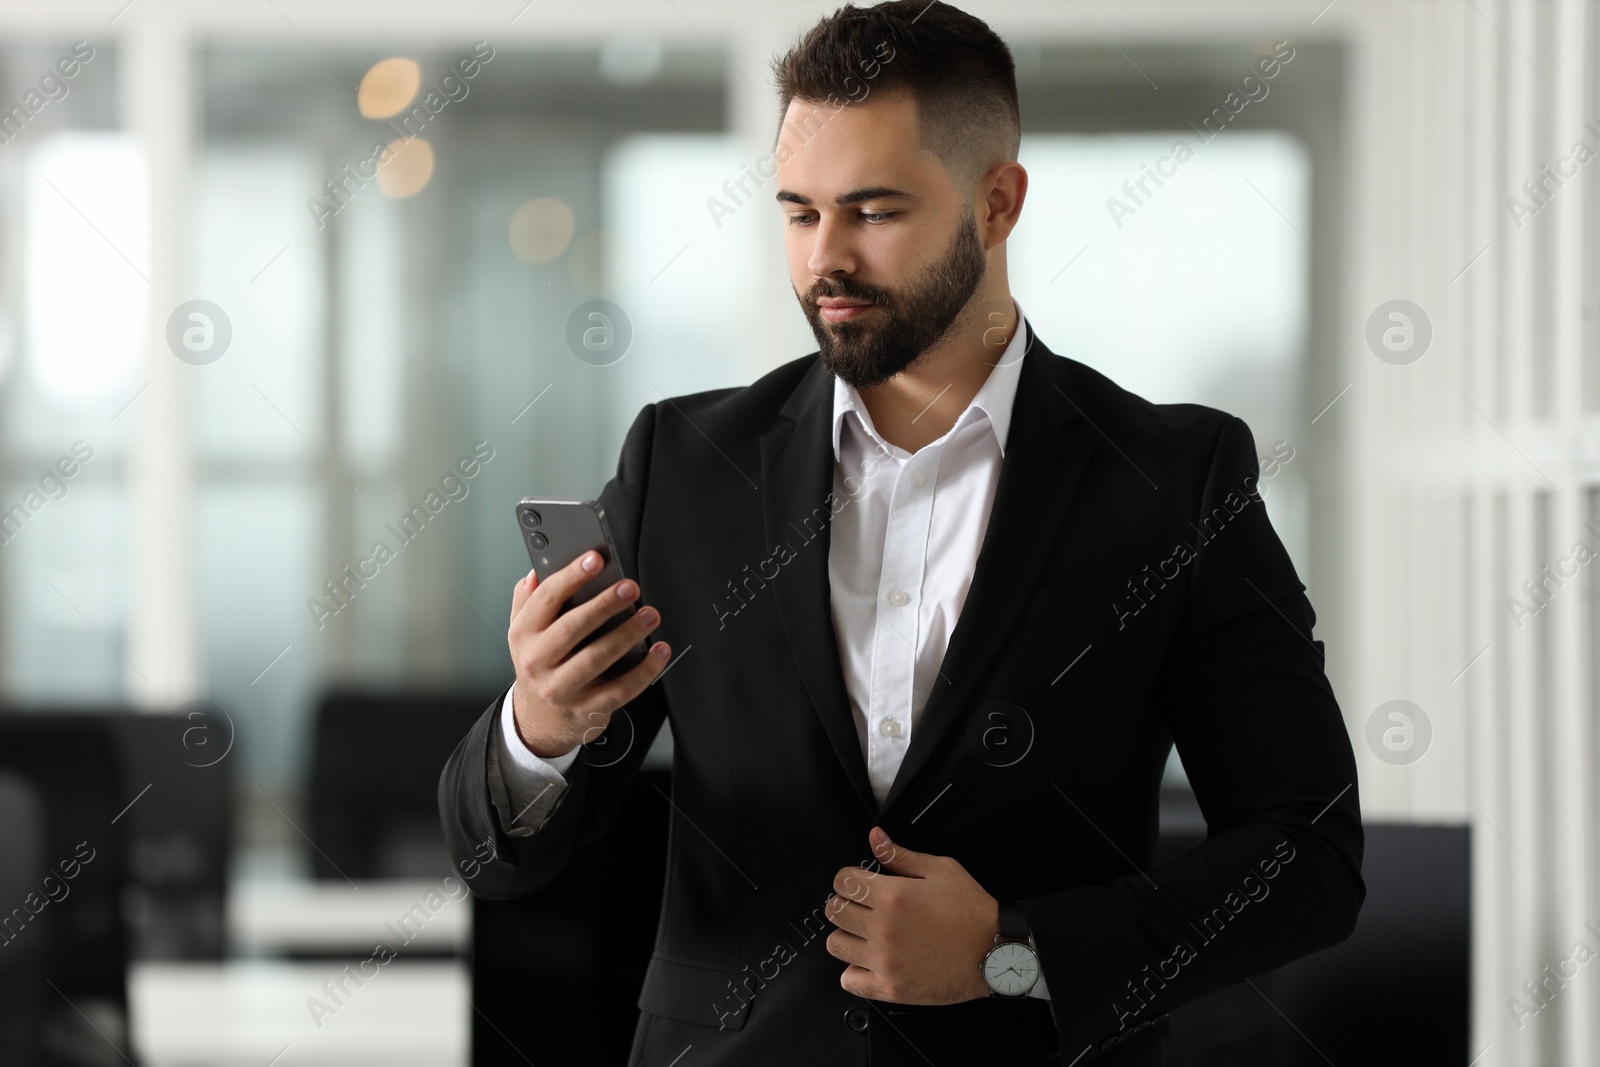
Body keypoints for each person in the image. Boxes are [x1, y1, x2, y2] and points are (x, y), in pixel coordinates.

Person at [438, 2, 1364, 1063]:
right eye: (796, 212)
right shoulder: (685, 467)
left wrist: (1012, 950)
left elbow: (1307, 858)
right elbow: (494, 855)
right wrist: (541, 724)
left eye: (872, 210)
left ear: (998, 202)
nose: (824, 258)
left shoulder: (1172, 481)